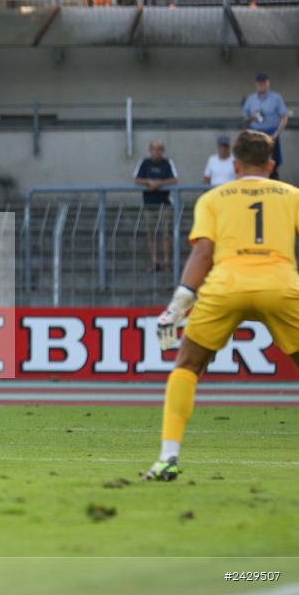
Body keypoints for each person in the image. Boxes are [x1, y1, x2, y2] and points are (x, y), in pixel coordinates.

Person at [145, 130, 299, 481]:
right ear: (271, 164)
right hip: (281, 285)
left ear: (234, 163)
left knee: (187, 365)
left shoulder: (214, 198)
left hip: (226, 286)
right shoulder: (292, 195)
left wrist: (180, 300)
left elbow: (203, 252)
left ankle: (168, 458)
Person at [134, 139, 178, 272]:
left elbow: (174, 179)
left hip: (165, 203)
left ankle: (166, 262)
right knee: (150, 234)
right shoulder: (144, 163)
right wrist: (149, 181)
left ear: (163, 151)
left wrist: (159, 183)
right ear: (150, 150)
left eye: (159, 149)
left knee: (166, 234)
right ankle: (154, 262)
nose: (156, 151)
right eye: (154, 148)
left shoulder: (168, 163)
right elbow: (136, 179)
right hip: (149, 204)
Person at [242, 72, 289, 180]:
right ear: (256, 84)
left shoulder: (276, 98)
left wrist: (276, 134)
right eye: (259, 83)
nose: (261, 85)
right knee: (255, 159)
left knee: (274, 161)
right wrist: (252, 117)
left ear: (268, 83)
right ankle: (256, 179)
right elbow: (245, 118)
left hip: (271, 134)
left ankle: (273, 179)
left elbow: (284, 117)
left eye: (263, 83)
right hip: (255, 134)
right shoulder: (251, 99)